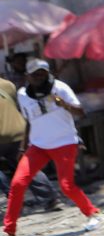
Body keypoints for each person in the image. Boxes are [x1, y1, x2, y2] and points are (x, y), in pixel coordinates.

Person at [2, 60, 101, 236]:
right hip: (38, 145)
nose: (39, 76)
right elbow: (29, 121)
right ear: (27, 76)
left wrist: (62, 104)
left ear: (48, 73)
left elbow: (81, 112)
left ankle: (92, 213)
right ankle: (9, 233)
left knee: (66, 186)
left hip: (64, 143)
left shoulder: (60, 88)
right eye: (35, 74)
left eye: (42, 73)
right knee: (18, 184)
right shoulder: (22, 94)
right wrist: (24, 147)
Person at [0, 77, 59, 212]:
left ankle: (13, 200)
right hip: (18, 131)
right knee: (27, 166)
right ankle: (50, 199)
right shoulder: (7, 84)